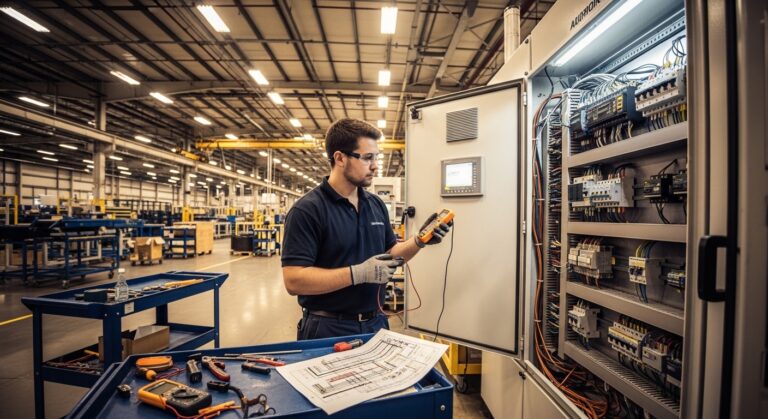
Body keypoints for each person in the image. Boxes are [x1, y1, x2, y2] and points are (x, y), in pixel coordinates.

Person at [281, 118, 452, 340]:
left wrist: (419, 241)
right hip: (328, 327)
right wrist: (358, 273)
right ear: (340, 158)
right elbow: (294, 280)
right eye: (367, 158)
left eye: (376, 158)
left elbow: (390, 254)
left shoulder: (375, 204)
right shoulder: (308, 210)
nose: (375, 166)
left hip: (377, 322)